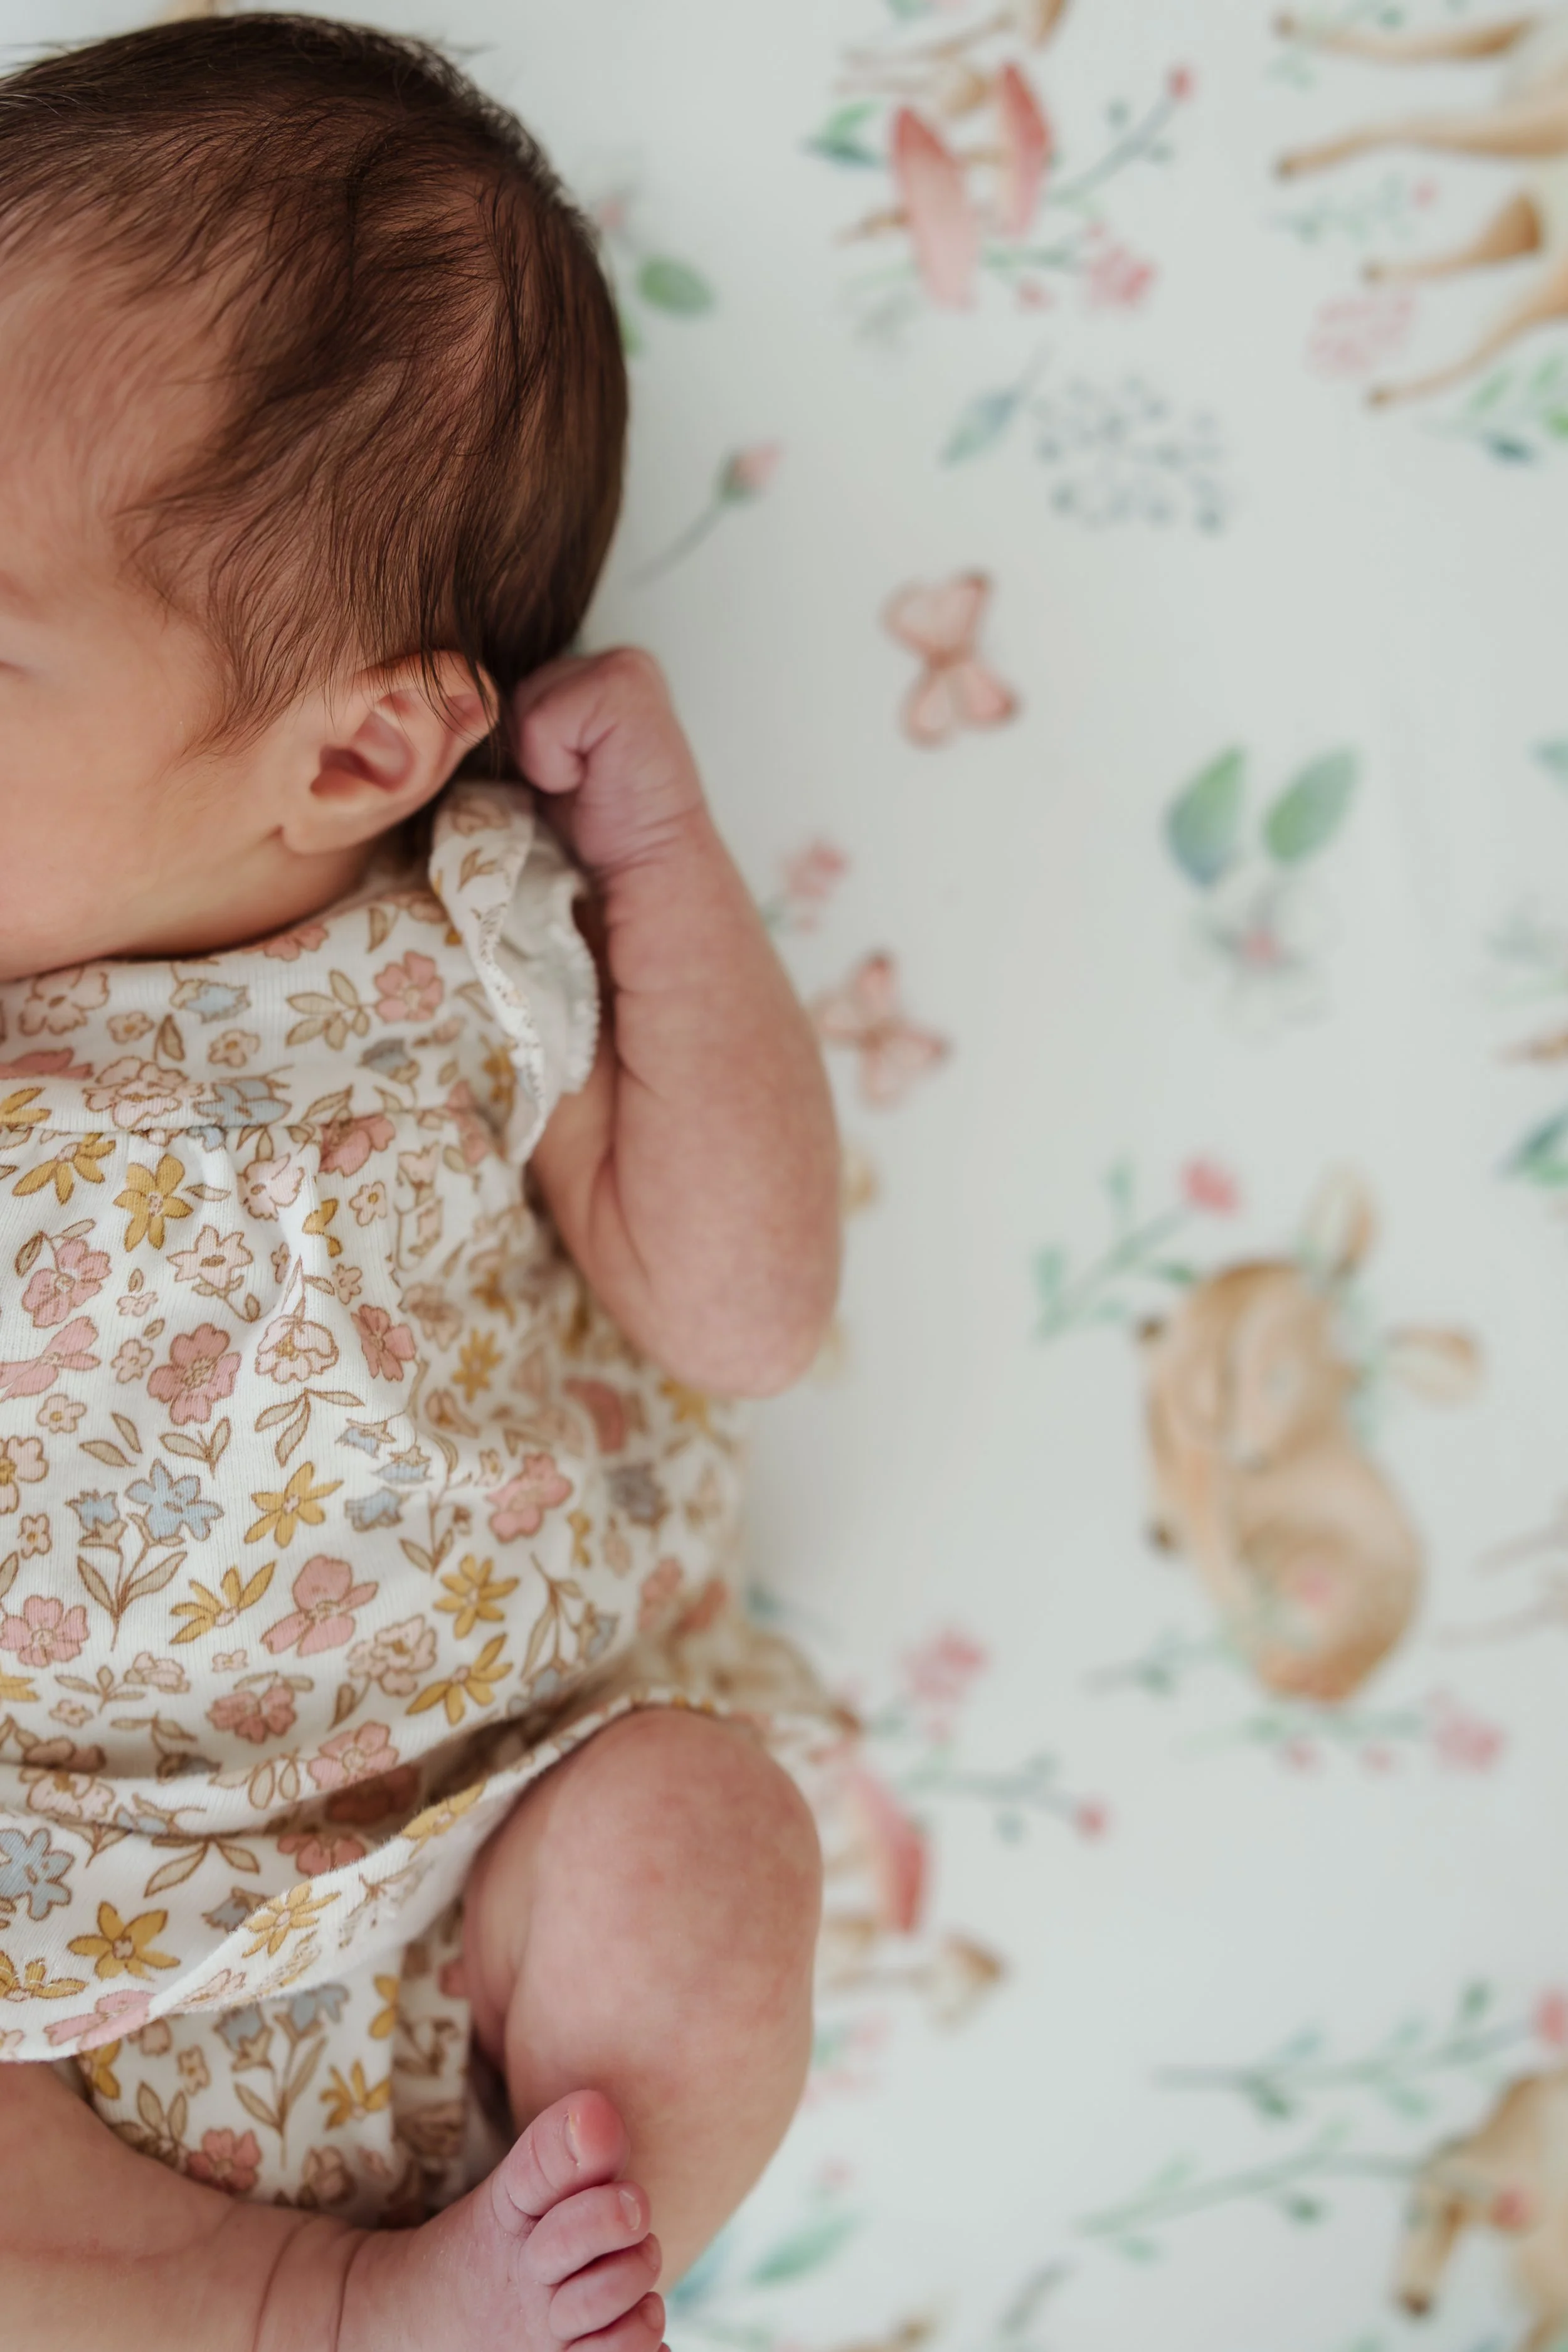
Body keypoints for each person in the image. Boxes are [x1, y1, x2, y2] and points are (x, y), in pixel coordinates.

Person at [0, 18, 842, 2349]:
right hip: (49, 1923)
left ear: (360, 747)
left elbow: (743, 1309)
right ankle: (307, 2315)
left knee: (714, 1844)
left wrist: (660, 870)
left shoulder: (471, 946)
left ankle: (564, 2280)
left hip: (494, 1834)